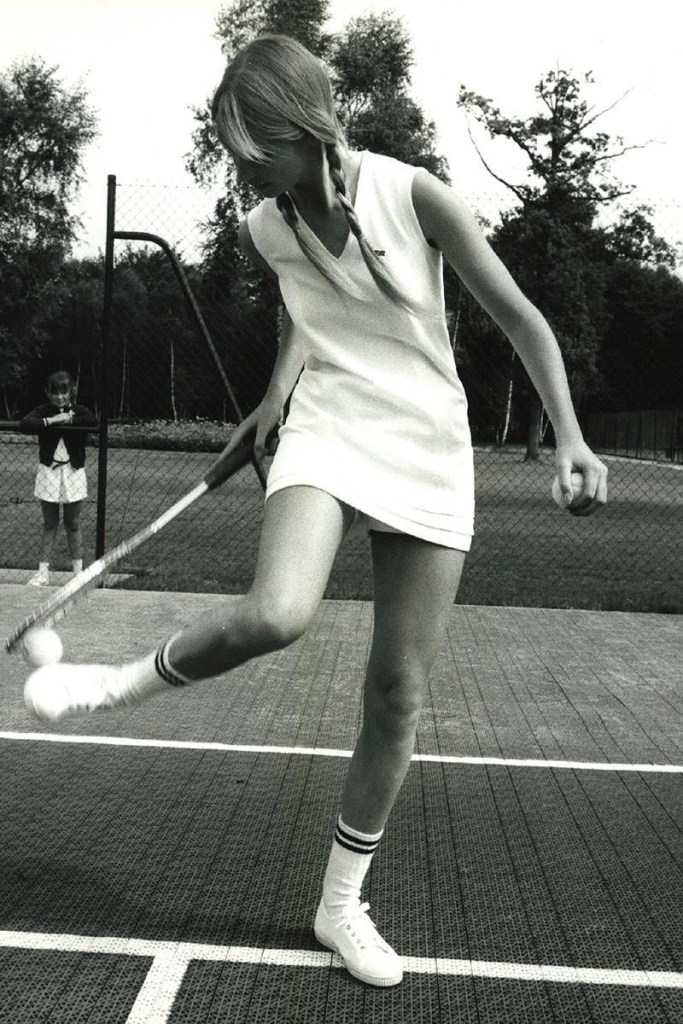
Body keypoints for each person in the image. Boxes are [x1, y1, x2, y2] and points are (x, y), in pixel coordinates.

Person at [23, 36, 608, 987]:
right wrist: (272, 398)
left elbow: (520, 319)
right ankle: (106, 687)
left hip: (427, 444)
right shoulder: (266, 225)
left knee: (397, 694)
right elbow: (308, 306)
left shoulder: (412, 195)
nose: (241, 169)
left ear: (302, 128)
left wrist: (571, 437)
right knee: (277, 613)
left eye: (251, 149)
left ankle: (339, 905)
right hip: (328, 425)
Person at [19, 371, 98, 587]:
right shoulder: (43, 411)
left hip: (74, 472)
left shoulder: (80, 411)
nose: (60, 397)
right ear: (48, 393)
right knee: (50, 523)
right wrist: (52, 420)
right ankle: (43, 574)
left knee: (72, 523)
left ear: (71, 392)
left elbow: (93, 422)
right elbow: (25, 424)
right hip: (49, 472)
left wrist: (69, 418)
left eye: (64, 393)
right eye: (55, 393)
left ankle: (78, 574)